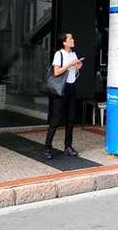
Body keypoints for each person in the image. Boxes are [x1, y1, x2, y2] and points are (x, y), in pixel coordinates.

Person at [43, 32, 83, 160]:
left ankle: (68, 146)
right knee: (56, 118)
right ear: (64, 42)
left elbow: (75, 71)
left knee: (71, 119)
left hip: (71, 87)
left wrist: (78, 66)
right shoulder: (59, 54)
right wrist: (69, 65)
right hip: (61, 88)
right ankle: (47, 147)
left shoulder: (73, 54)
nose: (73, 40)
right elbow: (56, 72)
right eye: (70, 38)